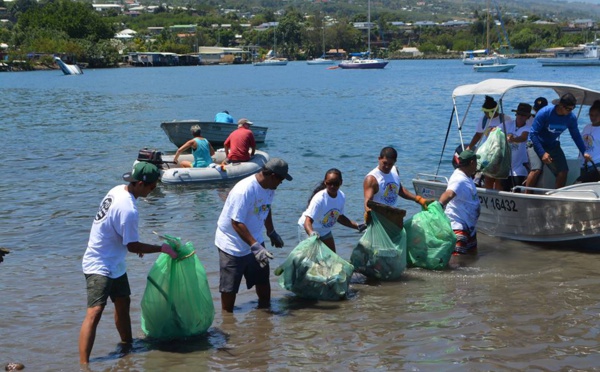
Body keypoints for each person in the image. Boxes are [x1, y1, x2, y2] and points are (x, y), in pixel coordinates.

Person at [79, 162, 178, 365]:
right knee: (95, 311)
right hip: (99, 263)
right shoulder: (129, 208)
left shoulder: (117, 190)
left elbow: (119, 232)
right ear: (140, 184)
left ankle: (127, 346)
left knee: (123, 303)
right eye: (151, 187)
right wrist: (160, 248)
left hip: (115, 263)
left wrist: (133, 246)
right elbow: (132, 245)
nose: (153, 191)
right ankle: (84, 364)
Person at [214, 158, 292, 312]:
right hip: (232, 244)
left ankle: (265, 314)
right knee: (230, 288)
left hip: (254, 240)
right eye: (281, 179)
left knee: (262, 280)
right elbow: (236, 223)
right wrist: (255, 246)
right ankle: (228, 320)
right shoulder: (244, 190)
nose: (281, 183)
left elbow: (266, 208)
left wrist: (271, 232)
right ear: (272, 176)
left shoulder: (270, 188)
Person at [525, 93, 592, 190]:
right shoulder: (544, 113)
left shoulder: (571, 118)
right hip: (535, 142)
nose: (570, 111)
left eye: (572, 109)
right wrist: (542, 153)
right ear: (560, 105)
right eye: (568, 109)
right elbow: (533, 134)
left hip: (551, 144)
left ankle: (557, 197)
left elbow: (576, 136)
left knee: (563, 171)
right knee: (536, 169)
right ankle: (527, 196)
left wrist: (584, 152)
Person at [298, 169, 366, 253]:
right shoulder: (320, 198)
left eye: (336, 183)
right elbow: (307, 222)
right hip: (308, 229)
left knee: (332, 257)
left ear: (341, 182)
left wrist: (357, 226)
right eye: (330, 183)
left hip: (324, 230)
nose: (332, 186)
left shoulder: (341, 196)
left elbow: (339, 217)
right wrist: (312, 234)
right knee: (310, 259)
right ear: (325, 183)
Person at [363, 147, 432, 222]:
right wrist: (368, 212)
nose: (387, 166)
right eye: (385, 163)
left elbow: (400, 190)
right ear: (379, 159)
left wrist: (418, 199)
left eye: (390, 164)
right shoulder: (372, 179)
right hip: (379, 220)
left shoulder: (394, 171)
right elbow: (368, 201)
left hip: (393, 218)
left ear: (395, 162)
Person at [439, 149, 481, 261]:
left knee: (472, 259)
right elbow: (449, 193)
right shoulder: (458, 178)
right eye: (476, 162)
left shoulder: (466, 176)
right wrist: (439, 205)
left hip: (469, 227)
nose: (477, 165)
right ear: (472, 163)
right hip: (458, 227)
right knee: (457, 263)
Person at [466, 95, 513, 190]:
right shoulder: (483, 120)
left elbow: (510, 134)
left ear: (493, 111)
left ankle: (498, 197)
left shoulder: (505, 119)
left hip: (500, 152)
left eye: (486, 112)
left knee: (498, 178)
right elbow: (478, 135)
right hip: (488, 152)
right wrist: (470, 147)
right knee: (488, 176)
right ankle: (488, 195)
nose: (485, 114)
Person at [502, 103, 534, 191]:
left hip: (519, 167)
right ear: (516, 114)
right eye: (519, 114)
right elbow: (495, 131)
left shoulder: (528, 128)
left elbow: (523, 137)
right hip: (505, 166)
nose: (520, 117)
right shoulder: (507, 124)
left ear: (527, 117)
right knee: (504, 189)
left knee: (516, 189)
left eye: (523, 115)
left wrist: (513, 139)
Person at [578, 100, 600, 182]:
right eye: (591, 115)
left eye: (596, 115)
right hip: (584, 165)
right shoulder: (587, 127)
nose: (593, 118)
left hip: (596, 165)